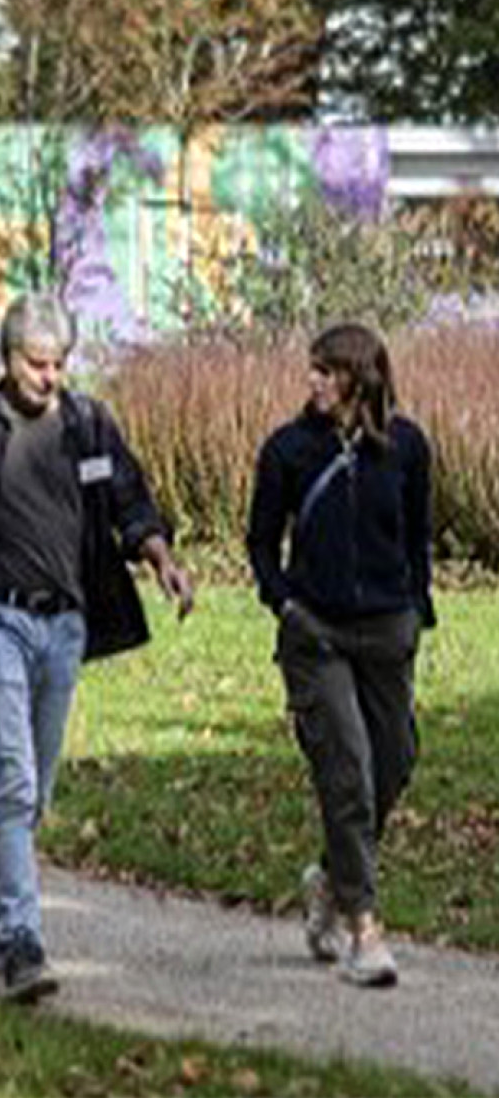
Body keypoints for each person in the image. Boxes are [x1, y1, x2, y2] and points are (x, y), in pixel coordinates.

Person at [0, 293, 193, 1002]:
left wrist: (159, 558)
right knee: (14, 779)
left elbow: (130, 501)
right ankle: (23, 942)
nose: (50, 377)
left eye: (60, 363)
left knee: (34, 793)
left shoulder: (89, 424)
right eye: (37, 364)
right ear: (7, 358)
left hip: (65, 626)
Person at [247, 323, 433, 990]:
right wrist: (285, 604)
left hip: (388, 632)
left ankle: (329, 877)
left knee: (395, 761)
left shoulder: (407, 448)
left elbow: (417, 538)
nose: (313, 382)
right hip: (316, 634)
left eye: (326, 372)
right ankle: (362, 926)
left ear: (360, 377)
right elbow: (262, 542)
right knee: (347, 768)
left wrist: (417, 612)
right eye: (312, 370)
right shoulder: (289, 450)